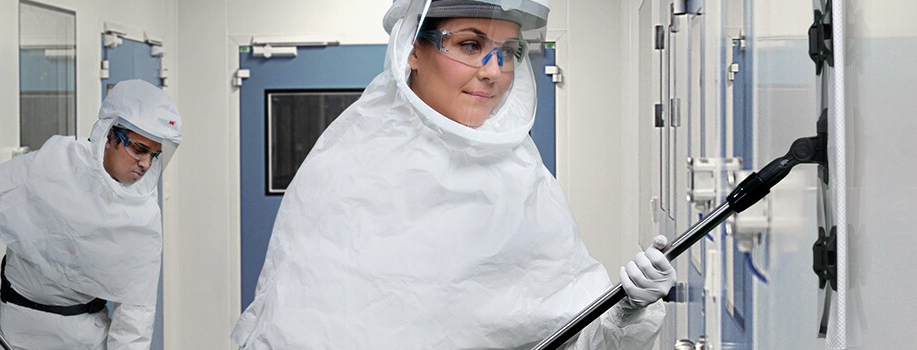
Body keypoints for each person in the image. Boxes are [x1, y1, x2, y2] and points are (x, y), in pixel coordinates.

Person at [230, 0, 674, 348]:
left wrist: (627, 312)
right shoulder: (346, 165)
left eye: (509, 52)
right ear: (412, 51)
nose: (494, 71)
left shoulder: (521, 177)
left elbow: (580, 335)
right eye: (469, 45)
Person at [0, 80, 181, 350]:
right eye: (139, 149)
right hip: (16, 335)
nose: (145, 164)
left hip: (88, 340)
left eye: (154, 155)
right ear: (109, 136)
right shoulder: (48, 167)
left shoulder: (142, 217)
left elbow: (136, 312)